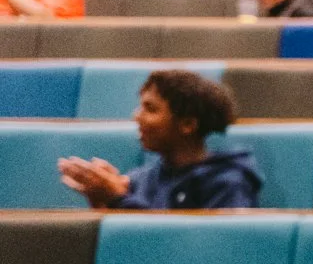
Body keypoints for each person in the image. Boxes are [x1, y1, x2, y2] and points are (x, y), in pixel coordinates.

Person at [57, 70, 262, 210]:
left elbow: (203, 250)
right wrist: (101, 198)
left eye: (151, 109)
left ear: (188, 125)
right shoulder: (141, 179)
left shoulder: (228, 183)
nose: (136, 116)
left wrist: (117, 198)